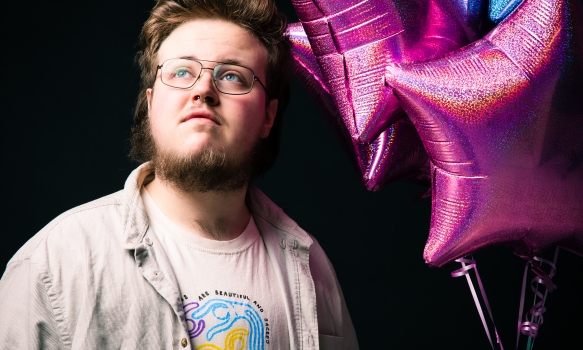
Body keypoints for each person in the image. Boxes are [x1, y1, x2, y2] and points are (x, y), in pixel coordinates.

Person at [0, 0, 358, 349]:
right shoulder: (54, 263)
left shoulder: (311, 270)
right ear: (152, 102)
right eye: (182, 71)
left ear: (268, 115)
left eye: (232, 76)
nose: (203, 90)